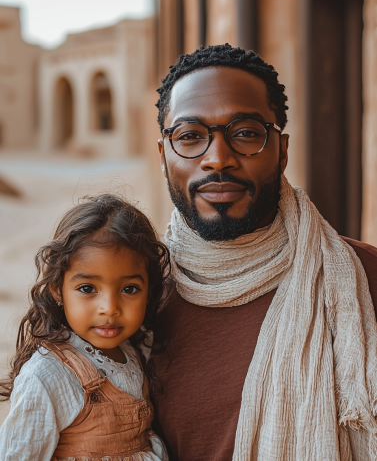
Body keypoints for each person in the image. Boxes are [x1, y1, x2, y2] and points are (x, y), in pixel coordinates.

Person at [152, 44, 377, 460]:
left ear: (283, 150)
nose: (218, 159)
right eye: (189, 137)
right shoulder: (135, 296)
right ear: (164, 156)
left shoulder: (364, 279)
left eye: (246, 134)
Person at [0, 195, 169, 461]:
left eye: (129, 289)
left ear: (148, 292)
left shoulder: (136, 351)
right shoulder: (47, 376)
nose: (109, 308)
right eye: (87, 288)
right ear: (57, 289)